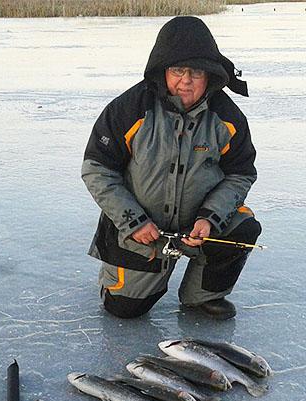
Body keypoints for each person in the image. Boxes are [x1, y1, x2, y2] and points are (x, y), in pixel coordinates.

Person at [81, 16, 261, 321]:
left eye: (196, 72)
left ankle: (202, 296)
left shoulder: (228, 118)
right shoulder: (129, 109)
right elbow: (97, 169)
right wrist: (134, 222)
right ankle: (121, 281)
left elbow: (240, 174)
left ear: (211, 76)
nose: (186, 80)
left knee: (243, 228)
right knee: (124, 310)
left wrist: (210, 218)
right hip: (142, 230)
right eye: (177, 70)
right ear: (163, 70)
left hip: (198, 227)